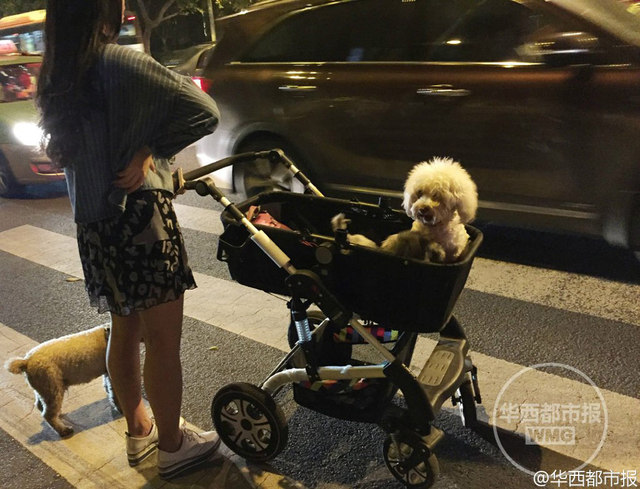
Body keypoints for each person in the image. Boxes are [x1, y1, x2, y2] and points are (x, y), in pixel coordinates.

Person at [36, 0, 221, 480]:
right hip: (138, 219)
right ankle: (175, 445)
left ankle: (140, 432)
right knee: (163, 340)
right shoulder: (122, 60)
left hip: (94, 225)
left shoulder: (58, 74)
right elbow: (204, 110)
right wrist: (151, 149)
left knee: (126, 329)